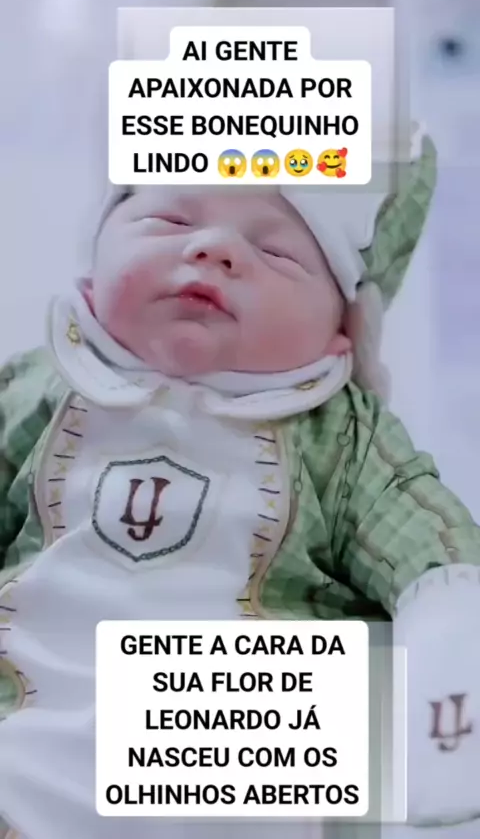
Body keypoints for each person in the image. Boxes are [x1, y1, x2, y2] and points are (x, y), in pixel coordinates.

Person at [0, 126, 479, 839]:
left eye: (278, 253)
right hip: (27, 759)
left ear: (342, 334)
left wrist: (448, 644)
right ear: (94, 267)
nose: (214, 248)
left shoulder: (342, 440)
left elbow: (431, 549)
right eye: (170, 218)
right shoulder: (34, 393)